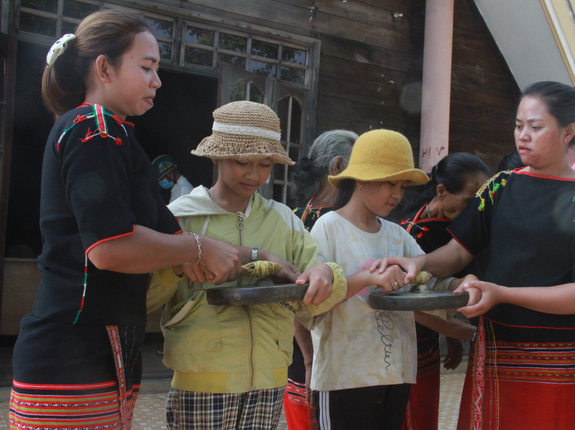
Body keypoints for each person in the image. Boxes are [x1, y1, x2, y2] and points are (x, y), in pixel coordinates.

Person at [9, 10, 241, 430]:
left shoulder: (117, 136)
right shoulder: (93, 129)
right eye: (147, 67)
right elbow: (110, 247)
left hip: (99, 349)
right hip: (73, 356)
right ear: (104, 68)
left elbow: (162, 235)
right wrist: (198, 247)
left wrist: (255, 257)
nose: (158, 80)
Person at [372, 81, 575, 430]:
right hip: (496, 351)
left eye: (536, 127)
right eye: (519, 126)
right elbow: (459, 251)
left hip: (557, 359)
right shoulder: (501, 186)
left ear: (569, 132)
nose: (523, 136)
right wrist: (419, 262)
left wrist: (502, 293)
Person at [146, 101, 349, 430]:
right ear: (217, 156)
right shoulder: (180, 218)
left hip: (269, 381)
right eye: (242, 162)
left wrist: (325, 275)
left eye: (266, 164)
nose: (254, 175)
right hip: (201, 378)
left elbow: (319, 286)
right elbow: (146, 298)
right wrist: (174, 267)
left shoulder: (283, 221)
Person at [304, 129, 477, 430]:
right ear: (360, 178)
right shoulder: (328, 228)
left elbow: (427, 280)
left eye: (402, 185)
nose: (397, 194)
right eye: (389, 183)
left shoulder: (397, 235)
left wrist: (458, 285)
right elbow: (312, 301)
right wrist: (367, 278)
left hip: (394, 373)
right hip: (344, 377)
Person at [398, 153, 488, 430]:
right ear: (441, 191)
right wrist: (457, 332)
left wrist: (449, 333)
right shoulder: (409, 232)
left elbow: (448, 282)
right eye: (470, 200)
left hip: (426, 345)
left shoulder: (451, 226)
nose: (476, 209)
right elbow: (407, 302)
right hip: (403, 345)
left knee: (425, 417)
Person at [286, 129, 358, 430]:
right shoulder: (342, 223)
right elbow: (294, 294)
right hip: (320, 355)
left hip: (308, 354)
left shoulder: (293, 216)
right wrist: (311, 359)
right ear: (338, 166)